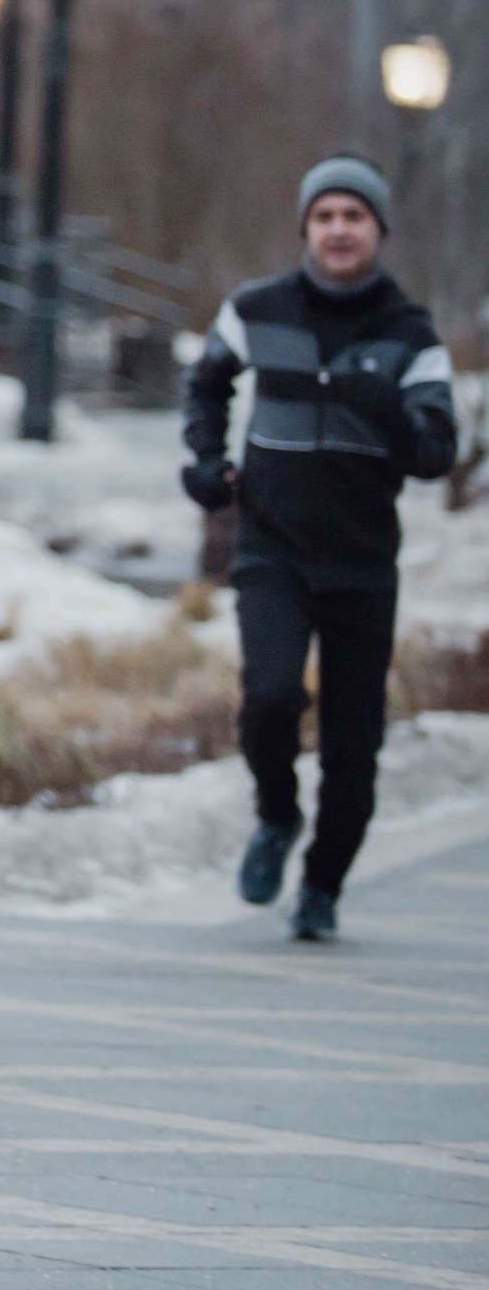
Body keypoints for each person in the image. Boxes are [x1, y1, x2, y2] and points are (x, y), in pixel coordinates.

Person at [182, 153, 457, 940]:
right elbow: (206, 381)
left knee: (352, 745)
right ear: (306, 227)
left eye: (354, 216)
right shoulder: (258, 307)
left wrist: (390, 410)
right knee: (269, 697)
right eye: (325, 216)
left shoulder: (409, 334)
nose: (339, 229)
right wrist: (206, 460)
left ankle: (323, 885)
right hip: (273, 547)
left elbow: (437, 453)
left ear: (379, 231)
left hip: (363, 563)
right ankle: (275, 818)